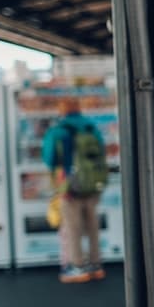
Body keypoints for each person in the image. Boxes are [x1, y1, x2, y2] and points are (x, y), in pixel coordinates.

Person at [42, 98, 107, 283]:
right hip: (93, 183)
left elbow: (50, 158)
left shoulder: (59, 129)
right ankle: (96, 264)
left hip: (70, 184)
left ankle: (77, 266)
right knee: (92, 224)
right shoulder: (91, 127)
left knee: (73, 225)